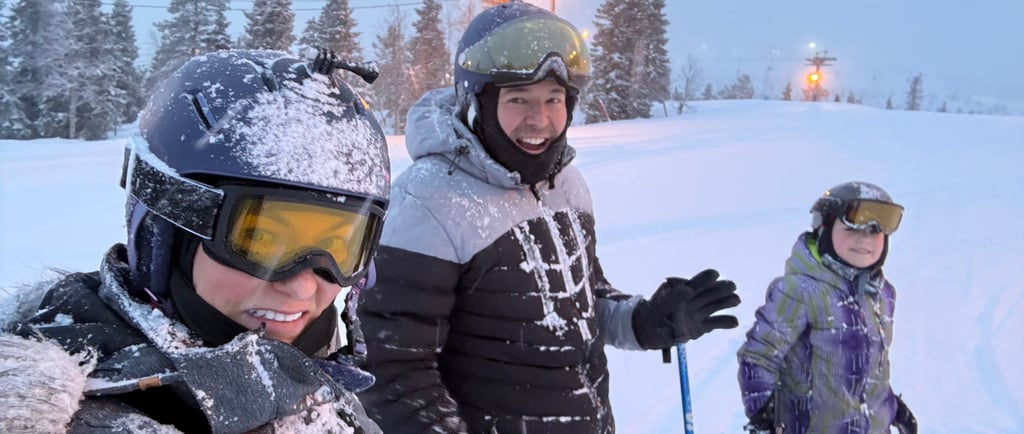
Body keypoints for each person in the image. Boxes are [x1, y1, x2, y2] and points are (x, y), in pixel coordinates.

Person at [355, 2, 741, 433]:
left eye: (553, 99)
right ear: (477, 100)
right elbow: (391, 373)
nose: (539, 120)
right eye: (518, 98)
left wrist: (646, 321)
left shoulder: (567, 185)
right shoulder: (430, 200)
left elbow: (583, 300)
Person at [0, 49, 391, 433]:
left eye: (339, 245)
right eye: (260, 239)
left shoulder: (322, 381)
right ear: (165, 236)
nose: (303, 285)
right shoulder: (64, 414)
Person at [736, 181, 918, 434]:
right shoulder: (800, 290)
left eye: (874, 232)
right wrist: (764, 413)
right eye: (852, 228)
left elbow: (874, 368)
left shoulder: (883, 294)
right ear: (825, 228)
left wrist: (891, 407)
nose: (865, 239)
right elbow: (758, 357)